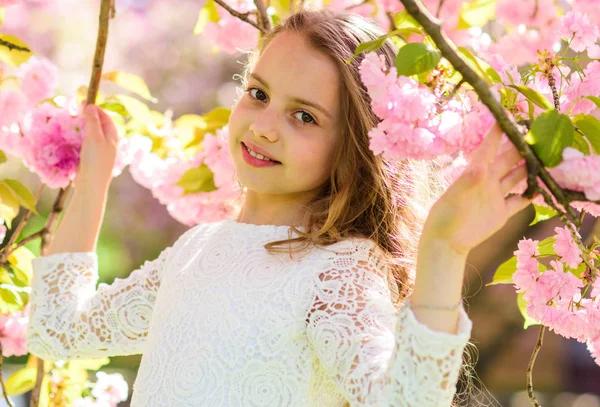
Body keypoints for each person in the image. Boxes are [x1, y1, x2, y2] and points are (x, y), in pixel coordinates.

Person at [26, 9, 535, 407]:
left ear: (352, 146)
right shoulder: (198, 250)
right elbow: (57, 330)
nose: (265, 126)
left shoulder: (337, 271)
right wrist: (93, 177)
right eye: (258, 93)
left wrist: (443, 249)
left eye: (305, 117)